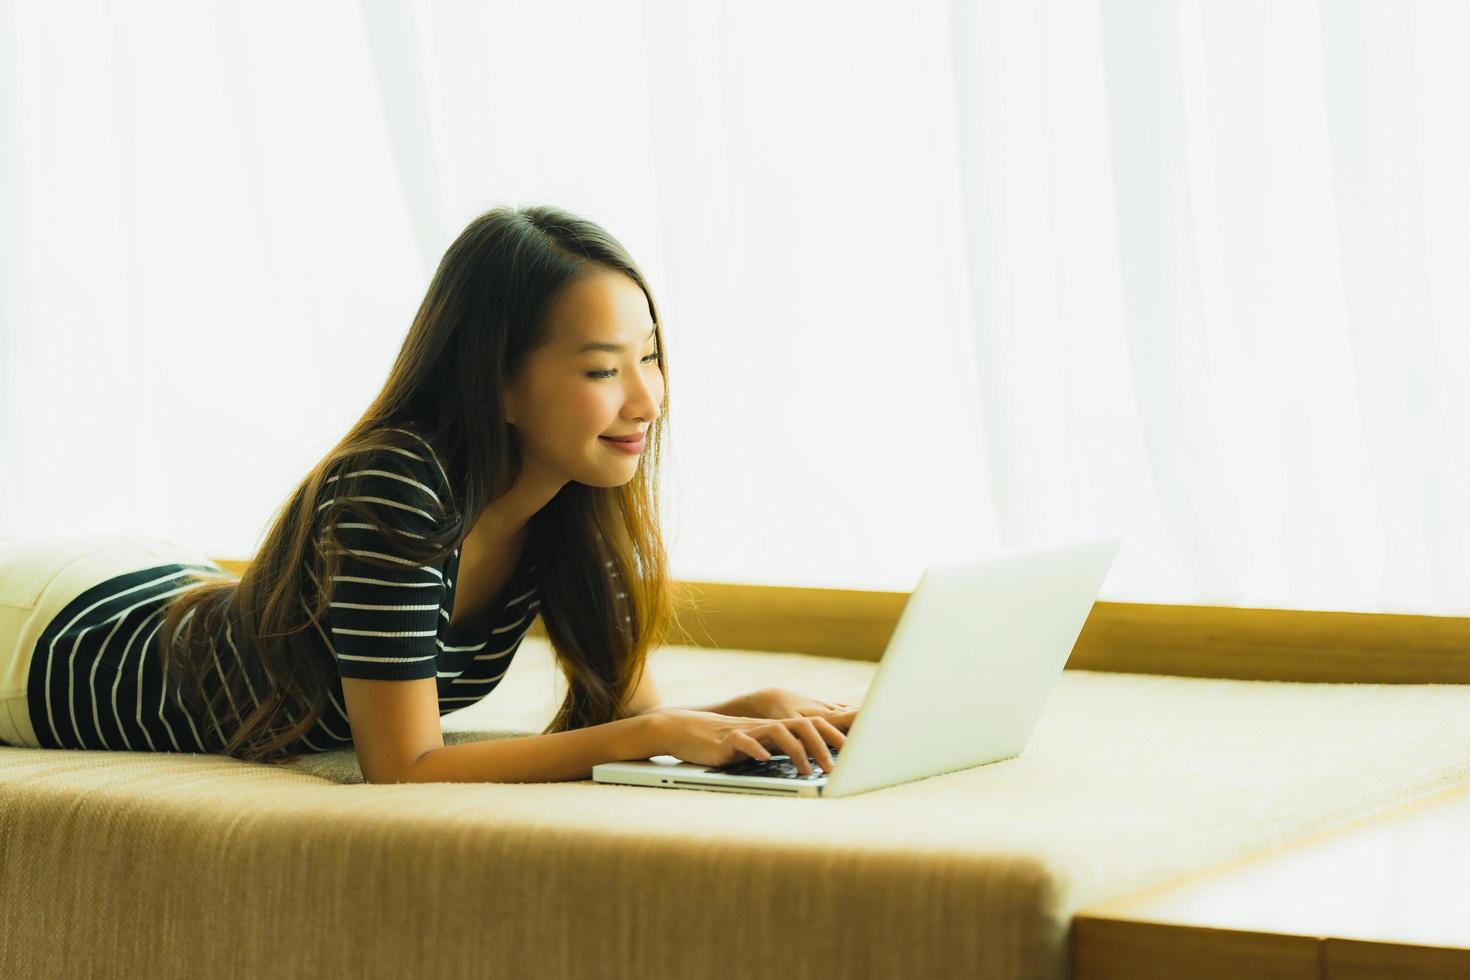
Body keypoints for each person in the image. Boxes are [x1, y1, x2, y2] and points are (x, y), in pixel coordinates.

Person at [0, 205, 858, 783]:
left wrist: (750, 711)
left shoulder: (573, 499)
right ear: (499, 385)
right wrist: (652, 737)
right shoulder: (397, 487)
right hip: (51, 639)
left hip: (166, 583)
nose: (646, 398)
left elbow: (628, 712)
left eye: (652, 355)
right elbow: (405, 766)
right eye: (603, 368)